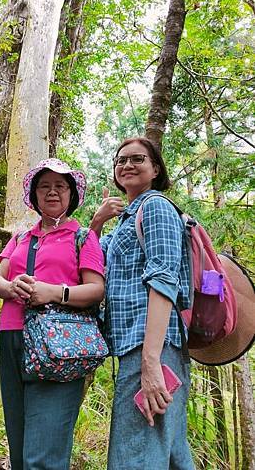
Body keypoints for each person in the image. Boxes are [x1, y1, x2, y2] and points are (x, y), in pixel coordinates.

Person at [0, 158, 105, 470]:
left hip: (58, 345)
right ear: (35, 195)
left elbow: (96, 289)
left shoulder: (82, 237)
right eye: (45, 186)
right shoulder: (20, 237)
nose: (52, 192)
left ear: (71, 195)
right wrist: (11, 287)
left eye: (60, 186)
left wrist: (55, 292)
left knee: (43, 456)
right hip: (12, 337)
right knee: (19, 448)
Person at [90, 137, 194, 470]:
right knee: (170, 455)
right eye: (121, 161)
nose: (127, 165)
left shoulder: (157, 207)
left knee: (133, 457)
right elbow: (89, 262)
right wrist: (96, 222)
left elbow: (164, 280)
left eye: (138, 159)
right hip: (136, 350)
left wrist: (150, 362)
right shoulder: (124, 222)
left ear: (155, 169)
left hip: (151, 349)